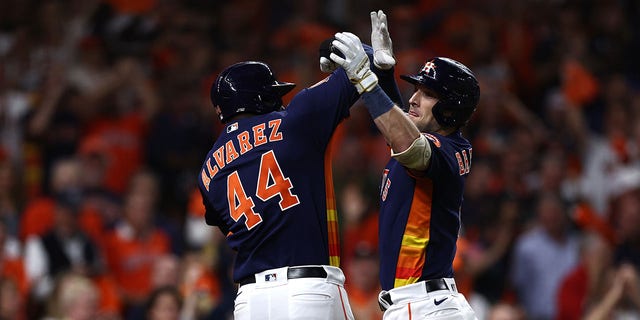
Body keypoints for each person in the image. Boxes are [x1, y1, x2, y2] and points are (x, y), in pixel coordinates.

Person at [197, 40, 399, 318]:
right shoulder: (295, 119)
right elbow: (364, 57)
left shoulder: (207, 170)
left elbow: (225, 222)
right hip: (307, 288)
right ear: (261, 97)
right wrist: (335, 51)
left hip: (249, 300)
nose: (280, 100)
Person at [326, 10, 479, 319]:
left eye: (428, 94)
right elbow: (402, 128)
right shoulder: (438, 142)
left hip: (422, 305)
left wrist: (365, 79)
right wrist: (384, 72)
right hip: (427, 303)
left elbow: (408, 143)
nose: (414, 99)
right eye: (416, 90)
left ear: (450, 108)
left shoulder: (445, 150)